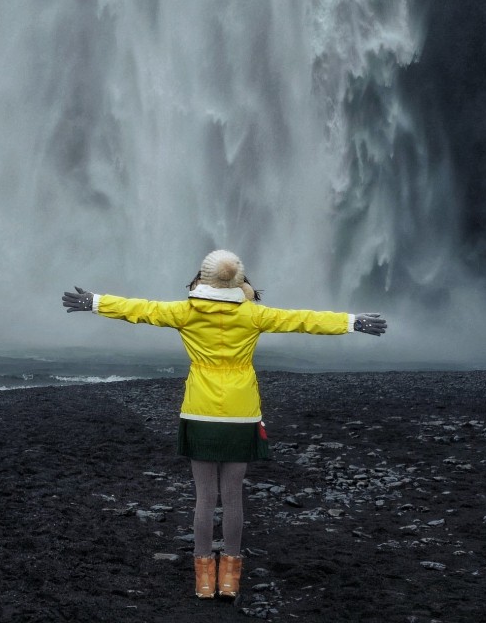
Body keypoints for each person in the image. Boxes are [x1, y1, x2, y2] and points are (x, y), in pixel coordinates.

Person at [62, 250, 387, 601]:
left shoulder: (186, 312)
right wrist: (353, 322)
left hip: (200, 411)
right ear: (238, 282)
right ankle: (230, 577)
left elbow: (138, 310)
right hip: (240, 413)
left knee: (204, 498)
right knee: (232, 497)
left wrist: (94, 302)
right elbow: (303, 320)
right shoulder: (253, 314)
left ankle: (204, 578)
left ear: (202, 278)